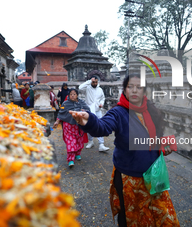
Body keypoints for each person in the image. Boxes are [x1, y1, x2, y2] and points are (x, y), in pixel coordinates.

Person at [70, 74, 180, 227]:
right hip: (129, 180)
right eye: (130, 87)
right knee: (130, 220)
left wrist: (162, 147)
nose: (134, 91)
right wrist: (89, 120)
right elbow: (103, 126)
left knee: (158, 218)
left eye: (139, 87)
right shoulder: (119, 112)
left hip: (153, 176)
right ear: (125, 90)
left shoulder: (150, 110)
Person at [53, 89, 90, 167]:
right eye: (71, 94)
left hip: (79, 125)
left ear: (77, 95)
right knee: (71, 142)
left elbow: (87, 110)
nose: (72, 96)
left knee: (79, 140)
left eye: (74, 94)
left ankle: (77, 153)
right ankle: (70, 159)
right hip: (68, 126)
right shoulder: (65, 104)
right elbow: (61, 113)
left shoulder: (81, 102)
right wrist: (57, 121)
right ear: (69, 95)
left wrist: (82, 111)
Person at [78, 76, 109, 152]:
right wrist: (89, 81)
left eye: (96, 82)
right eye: (93, 82)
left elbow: (102, 98)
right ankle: (90, 141)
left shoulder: (100, 89)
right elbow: (80, 88)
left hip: (98, 110)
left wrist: (101, 103)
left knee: (100, 125)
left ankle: (101, 144)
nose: (95, 83)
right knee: (90, 126)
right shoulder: (87, 88)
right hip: (89, 110)